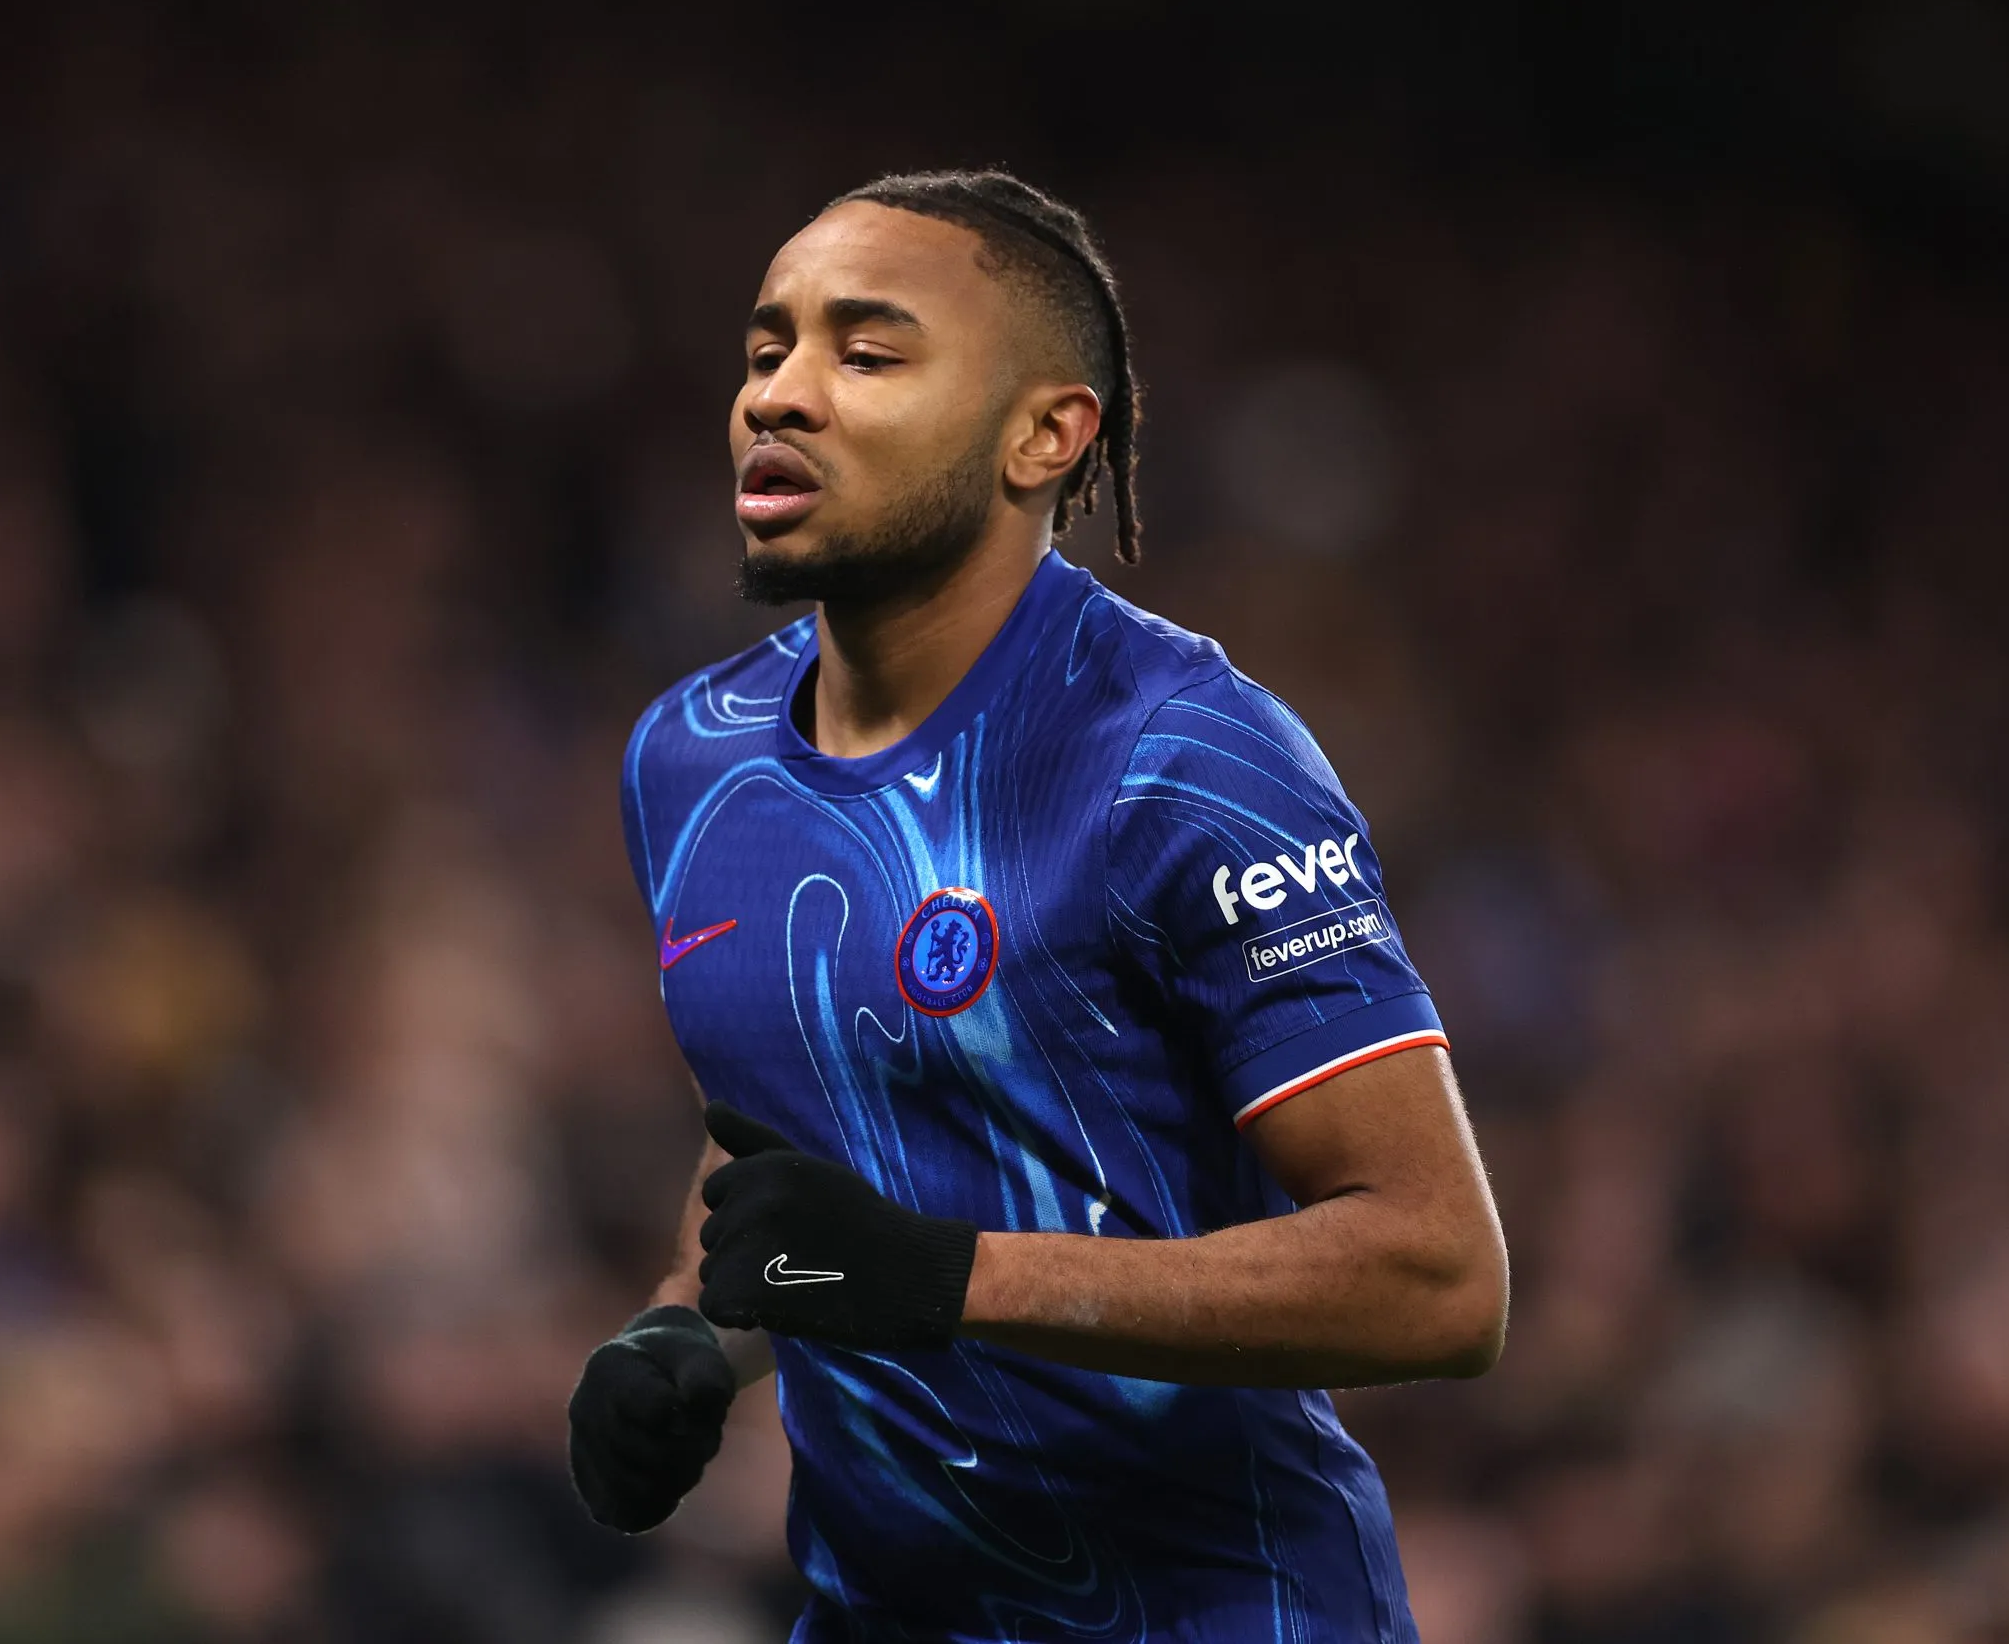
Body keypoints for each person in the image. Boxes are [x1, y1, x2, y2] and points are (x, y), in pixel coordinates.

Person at [568, 170, 1508, 1642]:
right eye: (766, 350)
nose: (782, 396)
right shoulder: (688, 757)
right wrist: (686, 1328)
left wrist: (950, 1276)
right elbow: (815, 1110)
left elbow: (1441, 1274)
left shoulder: (1183, 757)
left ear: (1046, 434)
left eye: (866, 354)